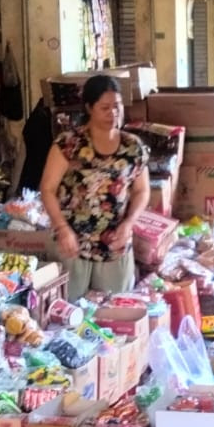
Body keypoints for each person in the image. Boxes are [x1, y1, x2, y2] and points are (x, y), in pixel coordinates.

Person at [39, 75, 150, 300]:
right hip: (71, 244)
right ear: (89, 108)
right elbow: (47, 189)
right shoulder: (69, 144)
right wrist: (62, 228)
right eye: (105, 108)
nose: (113, 113)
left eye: (117, 106)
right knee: (68, 310)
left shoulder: (133, 147)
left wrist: (129, 222)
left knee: (115, 310)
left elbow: (142, 190)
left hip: (114, 245)